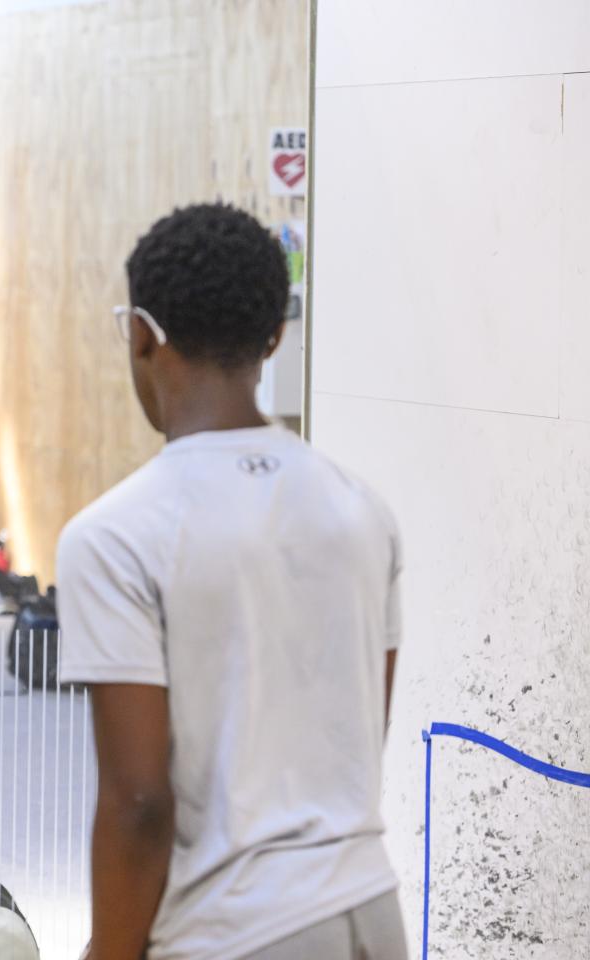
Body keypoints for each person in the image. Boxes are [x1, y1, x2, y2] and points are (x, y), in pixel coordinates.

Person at [56, 203, 405, 960]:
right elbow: (357, 737)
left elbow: (139, 802)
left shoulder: (113, 537)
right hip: (372, 914)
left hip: (236, 935)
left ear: (141, 333)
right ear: (274, 335)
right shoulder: (361, 509)